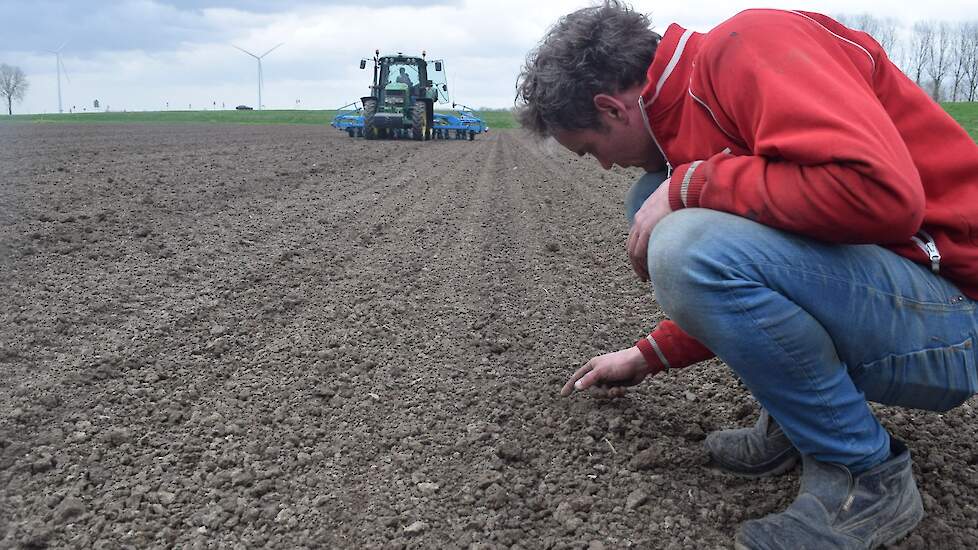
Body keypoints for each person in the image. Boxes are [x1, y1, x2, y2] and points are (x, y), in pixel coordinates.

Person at [516, 2, 978, 549]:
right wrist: (649, 355)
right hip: (904, 298)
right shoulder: (695, 113)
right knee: (658, 204)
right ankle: (799, 422)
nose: (603, 167)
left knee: (681, 234)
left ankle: (865, 478)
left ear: (611, 109)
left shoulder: (747, 45)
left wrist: (690, 186)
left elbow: (884, 196)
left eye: (590, 149)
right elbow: (769, 277)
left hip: (956, 321)